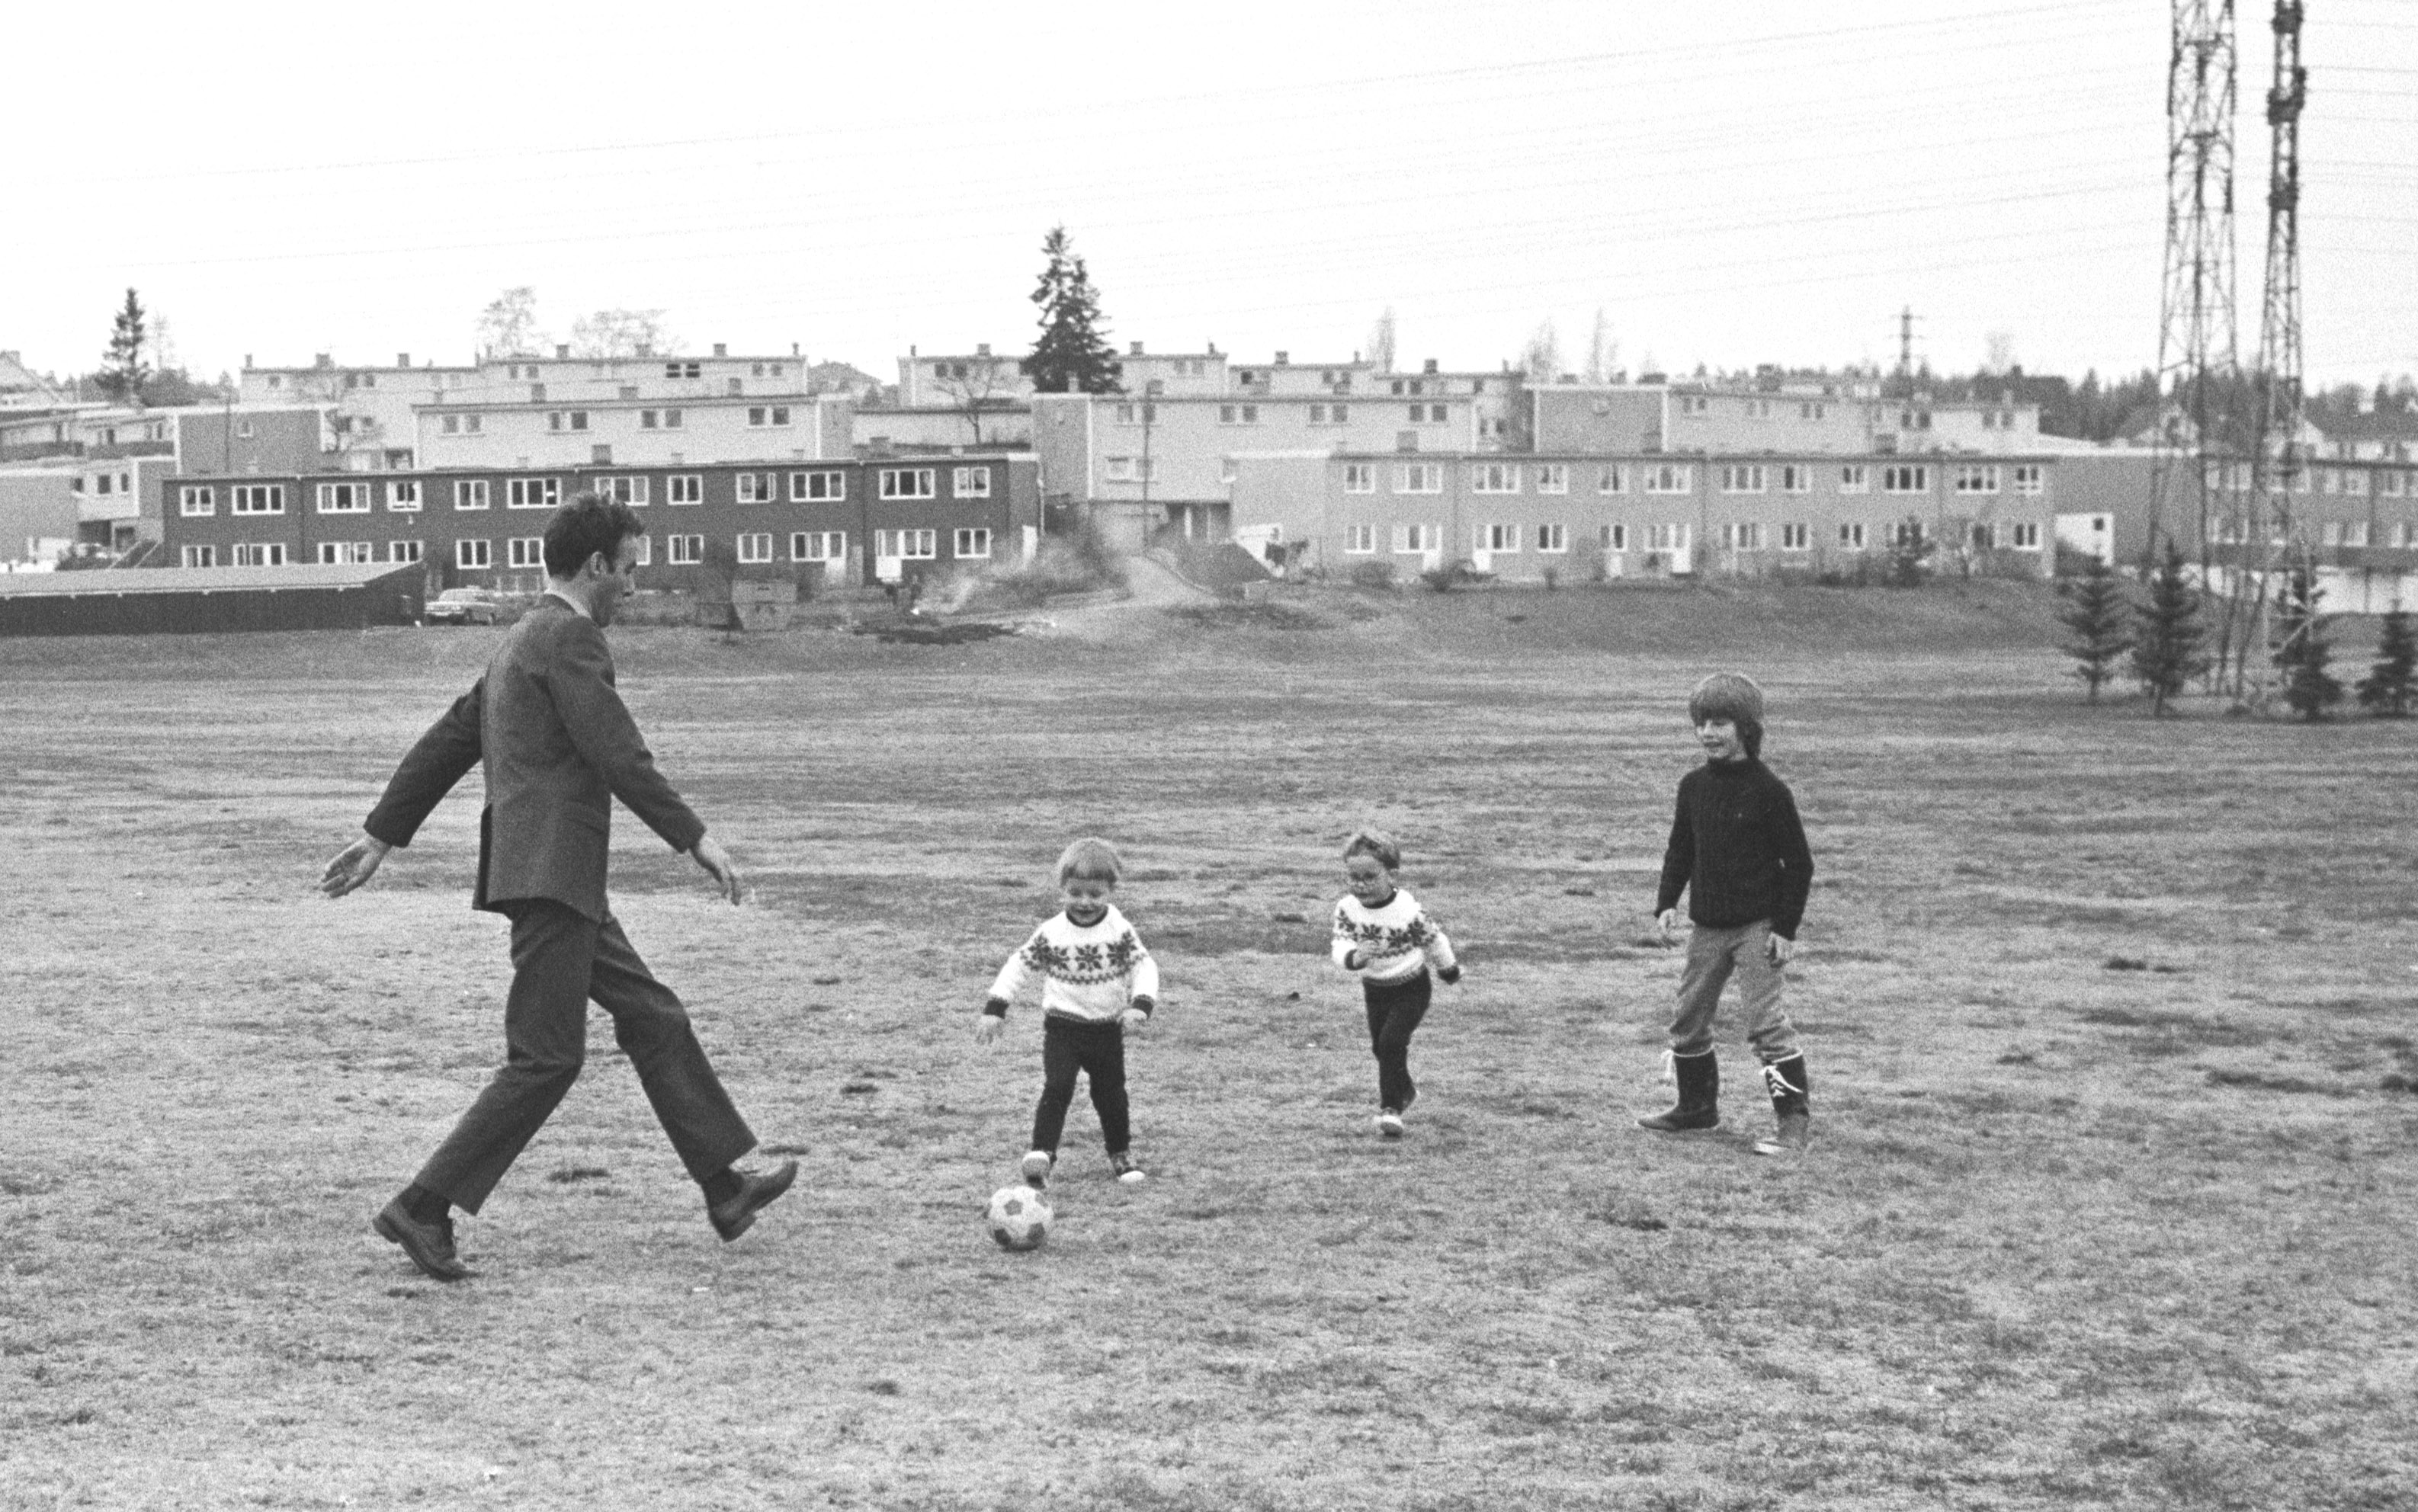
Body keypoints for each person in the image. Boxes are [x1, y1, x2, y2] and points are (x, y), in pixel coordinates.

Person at [321, 494, 796, 1282]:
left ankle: (724, 1187)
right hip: (553, 875)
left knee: (653, 1013)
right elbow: (618, 752)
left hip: (548, 874)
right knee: (544, 1059)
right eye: (631, 570)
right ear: (597, 565)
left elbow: (449, 738)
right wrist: (695, 838)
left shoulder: (519, 638)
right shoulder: (570, 638)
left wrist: (381, 834)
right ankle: (423, 1205)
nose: (635, 588)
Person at [1639, 672, 1816, 1155]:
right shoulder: (1693, 786)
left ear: (1745, 728)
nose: (1708, 733)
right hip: (1708, 926)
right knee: (1688, 1018)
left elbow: (1799, 864)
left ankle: (1792, 1124)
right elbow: (1681, 848)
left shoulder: (1769, 790)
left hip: (1758, 926)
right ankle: (1697, 1109)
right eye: (1701, 723)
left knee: (1765, 1024)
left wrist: (1785, 928)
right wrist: (1667, 902)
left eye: (1719, 722)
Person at [975, 838, 1159, 1187]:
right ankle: (1042, 1155)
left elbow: (1144, 966)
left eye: (1095, 894)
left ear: (1110, 891)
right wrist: (995, 1008)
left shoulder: (1119, 930)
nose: (1085, 902)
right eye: (1075, 893)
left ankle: (1120, 1154)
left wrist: (1141, 1004)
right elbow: (1019, 965)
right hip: (1063, 1027)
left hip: (1106, 1029)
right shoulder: (1052, 933)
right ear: (1062, 889)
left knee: (1110, 1094)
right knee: (1057, 1086)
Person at [1329, 829, 1461, 1138]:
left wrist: (1448, 969)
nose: (1360, 884)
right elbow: (1339, 945)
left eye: (1369, 876)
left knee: (1391, 1042)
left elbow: (1435, 940)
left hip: (1411, 987)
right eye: (1354, 876)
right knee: (1380, 1047)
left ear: (1392, 875)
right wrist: (1355, 957)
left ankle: (1391, 1109)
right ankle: (1406, 1089)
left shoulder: (1407, 910)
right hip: (1375, 989)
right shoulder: (1346, 909)